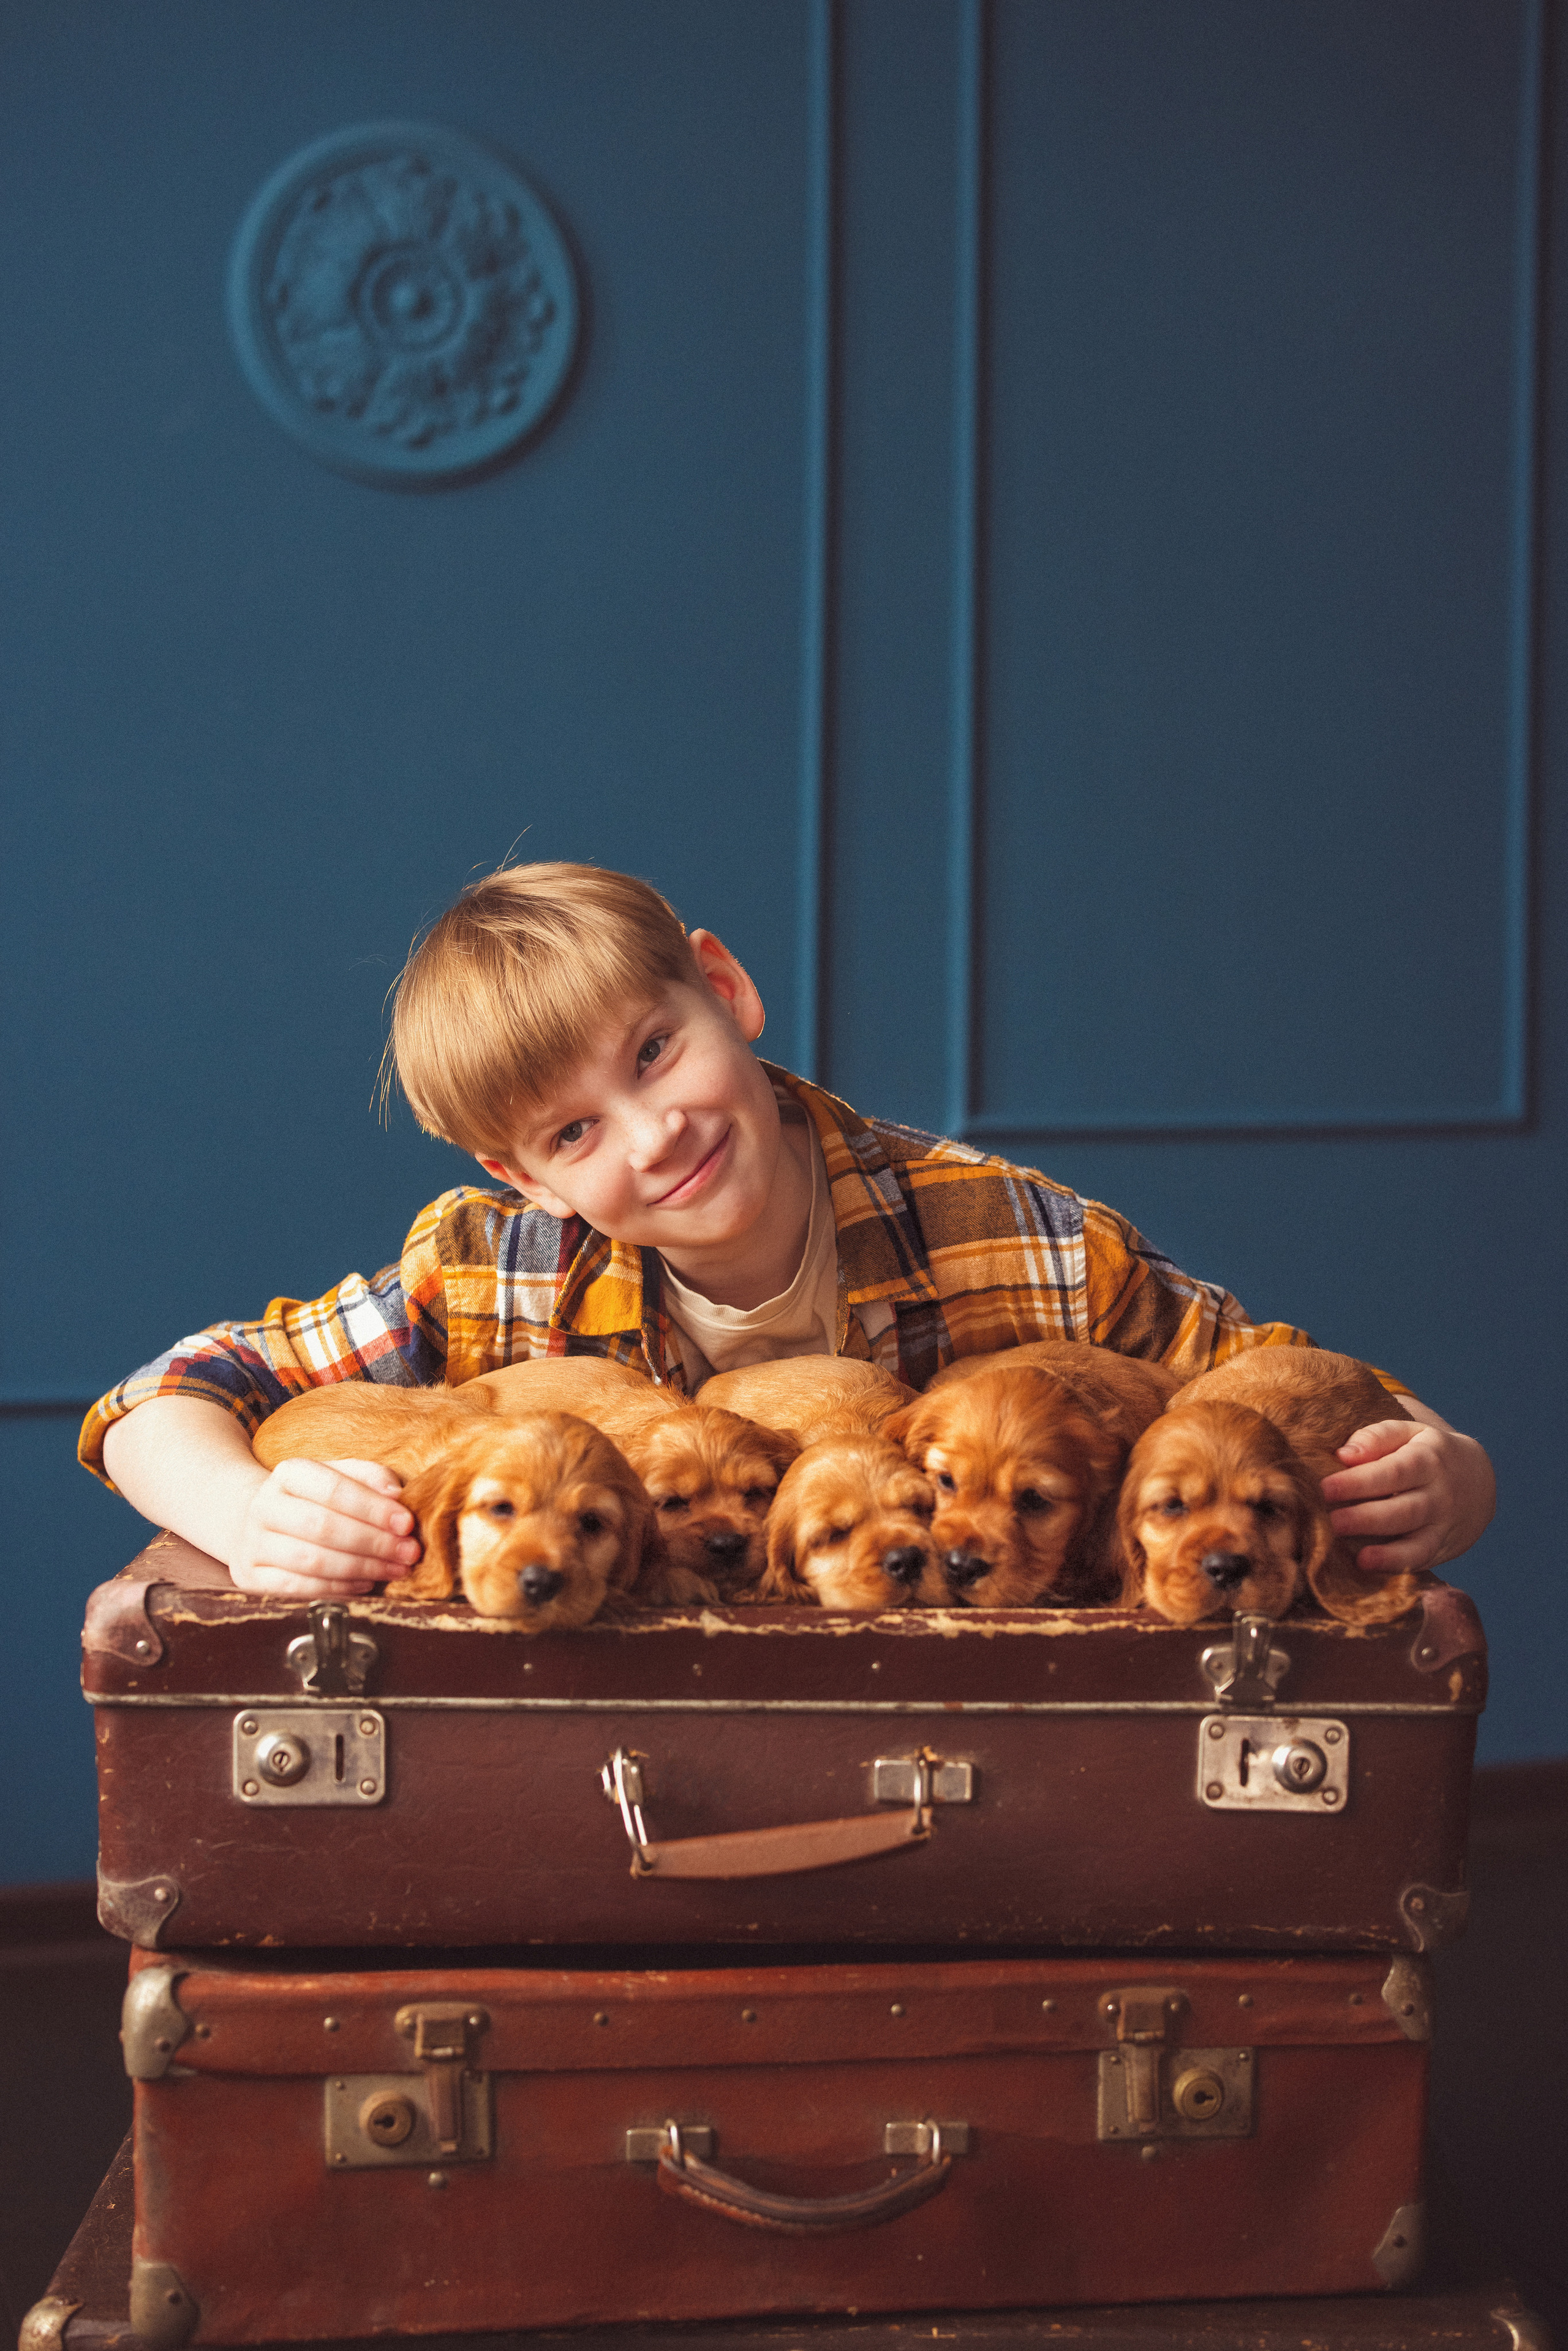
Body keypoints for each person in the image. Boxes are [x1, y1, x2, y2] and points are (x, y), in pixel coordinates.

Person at [85, 862, 1495, 1599]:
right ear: (514, 1171)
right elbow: (166, 1395)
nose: (650, 1136)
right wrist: (247, 1512)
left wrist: (1449, 1472)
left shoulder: (1014, 1238)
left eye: (653, 1051)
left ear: (723, 988)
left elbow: (1289, 1383)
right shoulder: (483, 1265)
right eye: (573, 1132)